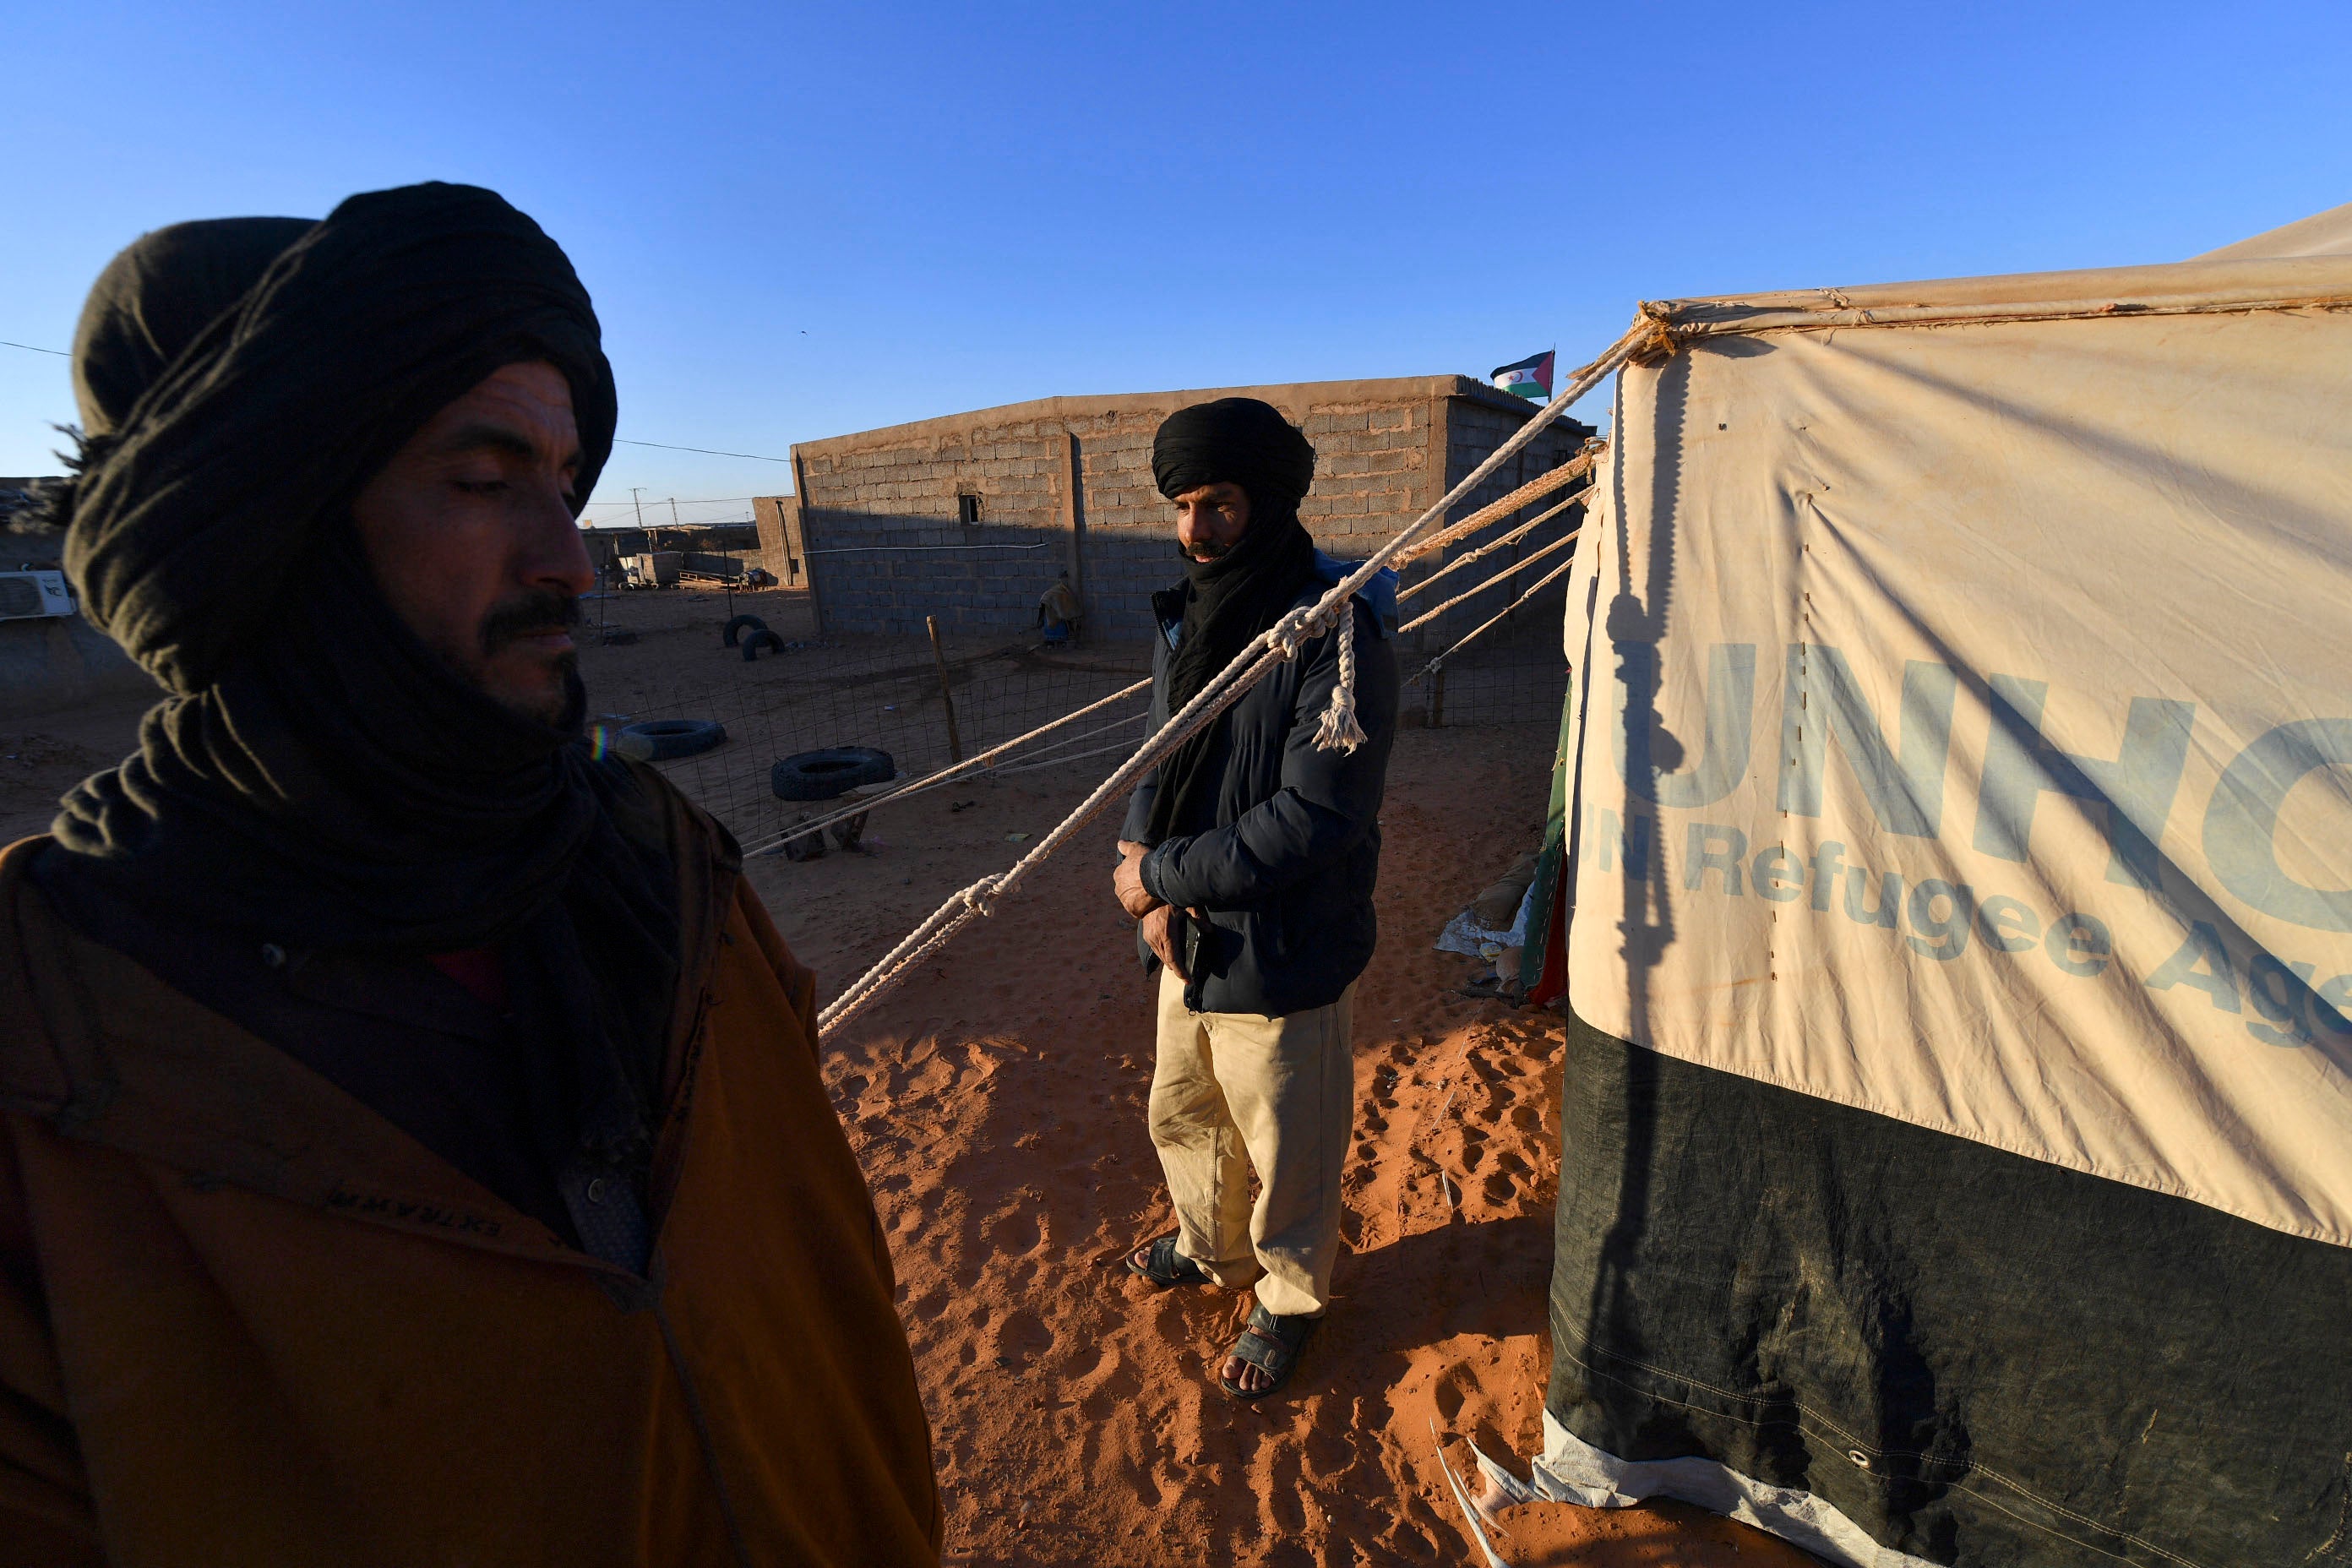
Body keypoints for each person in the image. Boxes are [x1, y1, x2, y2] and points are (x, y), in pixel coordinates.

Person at [0, 184, 939, 1567]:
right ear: (264, 522)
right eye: (484, 481)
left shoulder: (658, 866)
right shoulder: (45, 1051)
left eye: (566, 486)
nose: (571, 563)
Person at [1111, 397, 1400, 1402]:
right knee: (1182, 1109)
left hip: (1284, 944)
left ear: (1268, 500)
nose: (1197, 528)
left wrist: (1156, 877)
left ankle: (1285, 1298)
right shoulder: (1190, 614)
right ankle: (1209, 1248)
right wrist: (1140, 853)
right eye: (1183, 504)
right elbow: (1160, 747)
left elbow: (1313, 819)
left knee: (1287, 1140)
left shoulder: (1338, 626)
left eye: (1220, 502)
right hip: (1184, 934)